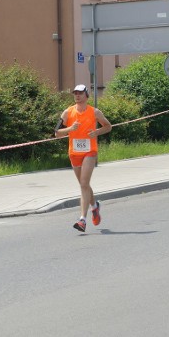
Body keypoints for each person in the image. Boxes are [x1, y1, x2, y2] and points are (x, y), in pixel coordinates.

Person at [55, 84, 112, 230]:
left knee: (84, 183)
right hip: (74, 152)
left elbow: (108, 126)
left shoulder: (95, 112)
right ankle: (95, 206)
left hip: (89, 151)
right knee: (84, 185)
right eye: (75, 93)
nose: (77, 96)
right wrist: (70, 128)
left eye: (80, 93)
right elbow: (56, 132)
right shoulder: (68, 112)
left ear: (86, 95)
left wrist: (97, 132)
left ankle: (82, 220)